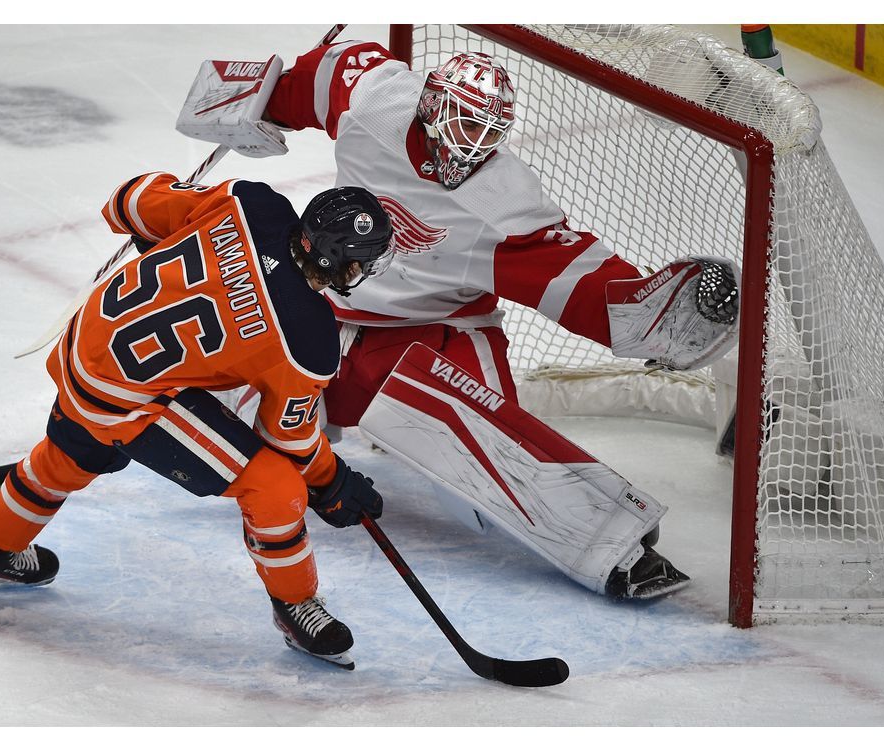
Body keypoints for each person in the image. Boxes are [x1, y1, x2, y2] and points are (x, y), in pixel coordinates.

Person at [213, 40, 739, 600]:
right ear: (429, 107)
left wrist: (645, 313)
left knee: (478, 503)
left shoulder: (505, 206)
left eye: (484, 141)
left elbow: (581, 282)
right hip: (328, 314)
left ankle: (609, 538)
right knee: (244, 434)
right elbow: (317, 78)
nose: (464, 158)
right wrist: (260, 103)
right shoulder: (376, 99)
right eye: (459, 131)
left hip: (438, 337)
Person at [0, 175, 394, 670]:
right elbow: (289, 437)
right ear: (342, 263)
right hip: (124, 395)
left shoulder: (250, 202)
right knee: (276, 488)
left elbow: (129, 201)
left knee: (75, 450)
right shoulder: (307, 334)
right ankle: (295, 602)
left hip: (86, 342)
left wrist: (161, 235)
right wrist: (332, 482)